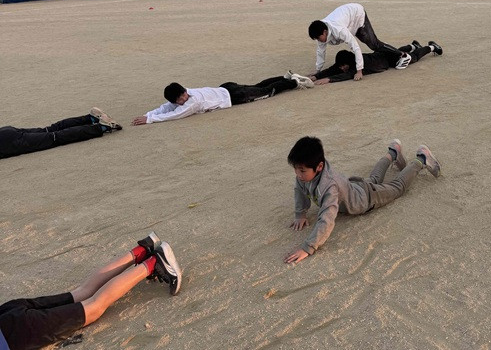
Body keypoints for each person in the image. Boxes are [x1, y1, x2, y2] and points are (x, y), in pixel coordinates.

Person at [0, 233, 181, 350]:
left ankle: (155, 262)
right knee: (81, 293)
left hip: (14, 338)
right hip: (7, 314)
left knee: (94, 306)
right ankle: (141, 250)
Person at [284, 136, 441, 264]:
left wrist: (308, 247)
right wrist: (300, 214)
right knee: (374, 179)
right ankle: (393, 152)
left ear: (319, 166)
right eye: (296, 170)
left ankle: (421, 159)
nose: (298, 175)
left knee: (398, 187)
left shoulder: (329, 187)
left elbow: (326, 218)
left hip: (367, 198)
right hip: (355, 187)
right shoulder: (304, 176)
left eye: (302, 171)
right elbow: (300, 190)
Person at [132, 74, 314, 125]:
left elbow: (176, 114)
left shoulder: (192, 102)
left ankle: (293, 82)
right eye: (180, 99)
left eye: (183, 96)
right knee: (258, 85)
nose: (183, 99)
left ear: (184, 91)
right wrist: (148, 114)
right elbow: (166, 107)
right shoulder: (186, 93)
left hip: (235, 96)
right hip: (226, 87)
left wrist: (150, 120)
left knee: (266, 92)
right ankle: (284, 77)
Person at [308, 2, 400, 81]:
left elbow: (355, 47)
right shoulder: (320, 32)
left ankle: (401, 54)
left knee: (374, 44)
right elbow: (320, 52)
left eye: (318, 38)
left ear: (325, 32)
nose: (318, 41)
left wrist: (359, 70)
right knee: (373, 46)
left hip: (357, 14)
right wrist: (317, 72)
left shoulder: (339, 30)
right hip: (348, 20)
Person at [0, 107, 121, 160]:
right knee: (50, 129)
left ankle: (102, 127)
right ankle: (90, 118)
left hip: (6, 143)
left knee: (56, 137)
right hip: (5, 132)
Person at [313, 38, 443, 84]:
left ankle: (432, 47)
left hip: (388, 61)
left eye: (343, 66)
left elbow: (347, 75)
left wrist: (329, 80)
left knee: (413, 58)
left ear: (349, 63)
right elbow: (333, 69)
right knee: (396, 50)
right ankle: (412, 45)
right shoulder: (349, 60)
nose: (341, 68)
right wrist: (316, 76)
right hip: (380, 55)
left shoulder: (357, 66)